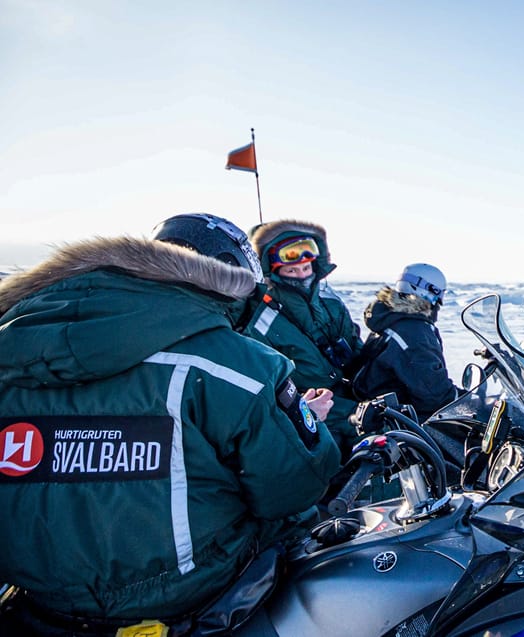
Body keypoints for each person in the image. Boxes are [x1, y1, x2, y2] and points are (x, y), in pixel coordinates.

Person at [0, 214, 340, 633]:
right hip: (192, 588)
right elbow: (294, 486)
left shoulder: (12, 348)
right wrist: (305, 427)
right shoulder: (236, 365)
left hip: (38, 595)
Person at [242, 220, 365, 460]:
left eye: (305, 268)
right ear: (274, 271)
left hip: (350, 395)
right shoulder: (261, 323)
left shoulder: (332, 305)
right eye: (292, 271)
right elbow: (271, 391)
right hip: (312, 410)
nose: (301, 275)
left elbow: (357, 352)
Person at [350, 263, 459, 419]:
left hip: (382, 408)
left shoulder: (393, 319)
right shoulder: (414, 332)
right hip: (396, 419)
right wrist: (466, 401)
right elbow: (434, 394)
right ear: (430, 293)